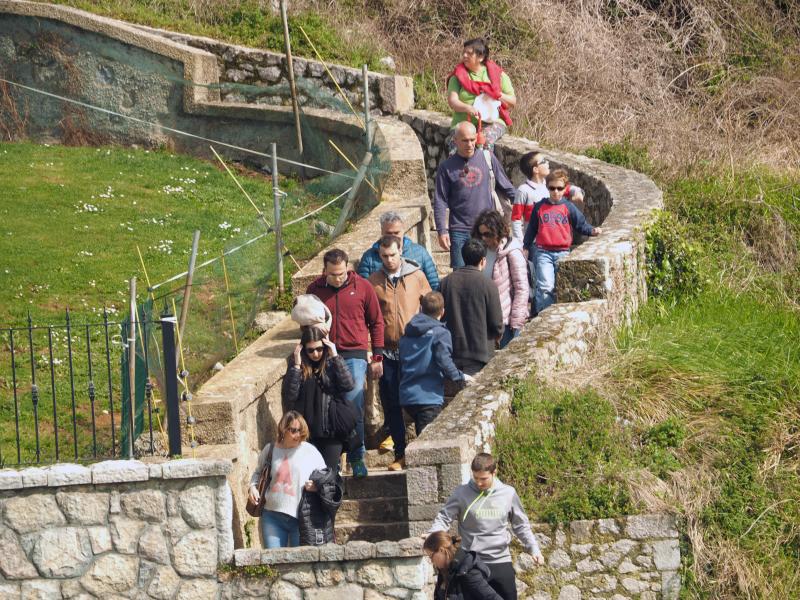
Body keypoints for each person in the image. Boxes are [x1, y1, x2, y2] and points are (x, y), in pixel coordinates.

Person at [306, 249, 385, 478]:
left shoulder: (363, 287)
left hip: (354, 354)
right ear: (324, 271)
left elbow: (376, 322)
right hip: (323, 354)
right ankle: (333, 460)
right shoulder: (315, 291)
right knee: (325, 407)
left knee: (353, 402)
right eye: (333, 274)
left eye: (341, 273)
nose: (338, 278)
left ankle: (357, 455)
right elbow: (304, 321)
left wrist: (377, 356)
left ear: (348, 268)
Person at [430, 453, 544, 600]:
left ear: (494, 473)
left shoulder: (508, 493)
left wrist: (533, 548)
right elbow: (444, 517)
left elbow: (521, 525)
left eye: (483, 479)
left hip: (501, 561)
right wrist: (433, 533)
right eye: (475, 478)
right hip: (472, 565)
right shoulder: (461, 493)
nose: (478, 483)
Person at [368, 235, 431, 471]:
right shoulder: (373, 281)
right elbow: (370, 319)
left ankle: (423, 448)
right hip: (387, 351)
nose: (389, 260)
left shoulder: (416, 276)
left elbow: (431, 306)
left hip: (413, 349)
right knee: (392, 404)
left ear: (400, 251)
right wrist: (373, 352)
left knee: (417, 401)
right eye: (384, 256)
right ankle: (400, 452)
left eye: (393, 255)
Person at [434, 121, 516, 269]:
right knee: (461, 274)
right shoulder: (446, 167)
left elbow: (507, 187)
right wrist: (441, 230)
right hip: (459, 230)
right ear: (455, 141)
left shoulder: (488, 158)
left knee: (488, 272)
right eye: (465, 140)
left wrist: (527, 208)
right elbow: (440, 200)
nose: (470, 144)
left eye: (473, 140)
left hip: (486, 229)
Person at [522, 169, 602, 314]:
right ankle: (544, 316)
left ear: (565, 189)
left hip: (563, 252)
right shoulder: (539, 207)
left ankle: (553, 314)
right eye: (552, 188)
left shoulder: (568, 207)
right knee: (545, 285)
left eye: (559, 188)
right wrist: (526, 246)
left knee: (562, 287)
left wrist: (591, 230)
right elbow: (532, 228)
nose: (555, 192)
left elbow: (580, 224)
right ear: (547, 188)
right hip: (543, 252)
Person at [399, 291, 470, 443]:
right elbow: (444, 361)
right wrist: (460, 377)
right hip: (428, 396)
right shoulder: (440, 333)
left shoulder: (407, 333)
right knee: (428, 445)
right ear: (443, 312)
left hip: (407, 396)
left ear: (420, 309)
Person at [281, 327, 355, 471]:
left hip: (330, 430)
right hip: (306, 433)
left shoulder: (331, 363)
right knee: (309, 475)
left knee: (328, 475)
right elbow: (290, 395)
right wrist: (296, 365)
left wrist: (335, 356)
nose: (315, 354)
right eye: (310, 350)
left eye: (319, 349)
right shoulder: (298, 366)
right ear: (303, 350)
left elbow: (348, 385)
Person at [248, 411, 325, 549]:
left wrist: (316, 486)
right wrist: (252, 487)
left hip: (301, 518)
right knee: (273, 562)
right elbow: (258, 473)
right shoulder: (270, 449)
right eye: (294, 430)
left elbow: (326, 477)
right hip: (272, 516)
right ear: (283, 429)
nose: (298, 435)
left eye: (301, 431)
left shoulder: (310, 451)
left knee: (300, 564)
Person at [440, 238, 503, 376]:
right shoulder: (488, 284)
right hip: (480, 354)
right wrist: (498, 335)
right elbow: (496, 322)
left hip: (452, 353)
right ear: (483, 261)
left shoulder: (445, 283)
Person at [445, 37, 516, 155]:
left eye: (469, 53)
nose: (465, 56)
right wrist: (467, 108)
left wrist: (497, 94)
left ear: (481, 57)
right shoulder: (457, 76)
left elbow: (512, 101)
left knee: (483, 144)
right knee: (457, 149)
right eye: (464, 53)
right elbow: (453, 101)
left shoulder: (498, 75)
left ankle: (484, 171)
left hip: (492, 122)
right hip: (464, 122)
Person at [472, 210, 529, 349]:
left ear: (498, 231)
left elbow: (521, 288)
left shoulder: (512, 252)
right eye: (481, 234)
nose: (484, 238)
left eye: (488, 234)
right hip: (484, 318)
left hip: (505, 321)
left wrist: (516, 322)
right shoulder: (481, 251)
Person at [357, 210, 440, 291]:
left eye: (396, 233)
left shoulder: (420, 253)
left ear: (403, 230)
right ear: (382, 232)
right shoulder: (369, 257)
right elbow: (362, 290)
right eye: (389, 233)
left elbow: (434, 285)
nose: (393, 237)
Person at [511, 152, 584, 241]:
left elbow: (570, 189)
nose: (547, 162)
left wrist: (578, 192)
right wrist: (521, 243)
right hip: (535, 242)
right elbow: (516, 219)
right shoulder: (523, 190)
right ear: (536, 169)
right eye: (543, 161)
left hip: (555, 240)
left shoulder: (550, 185)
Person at [424, 531, 503, 600]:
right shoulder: (444, 571)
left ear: (441, 550)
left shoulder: (467, 572)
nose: (431, 561)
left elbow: (492, 597)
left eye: (431, 556)